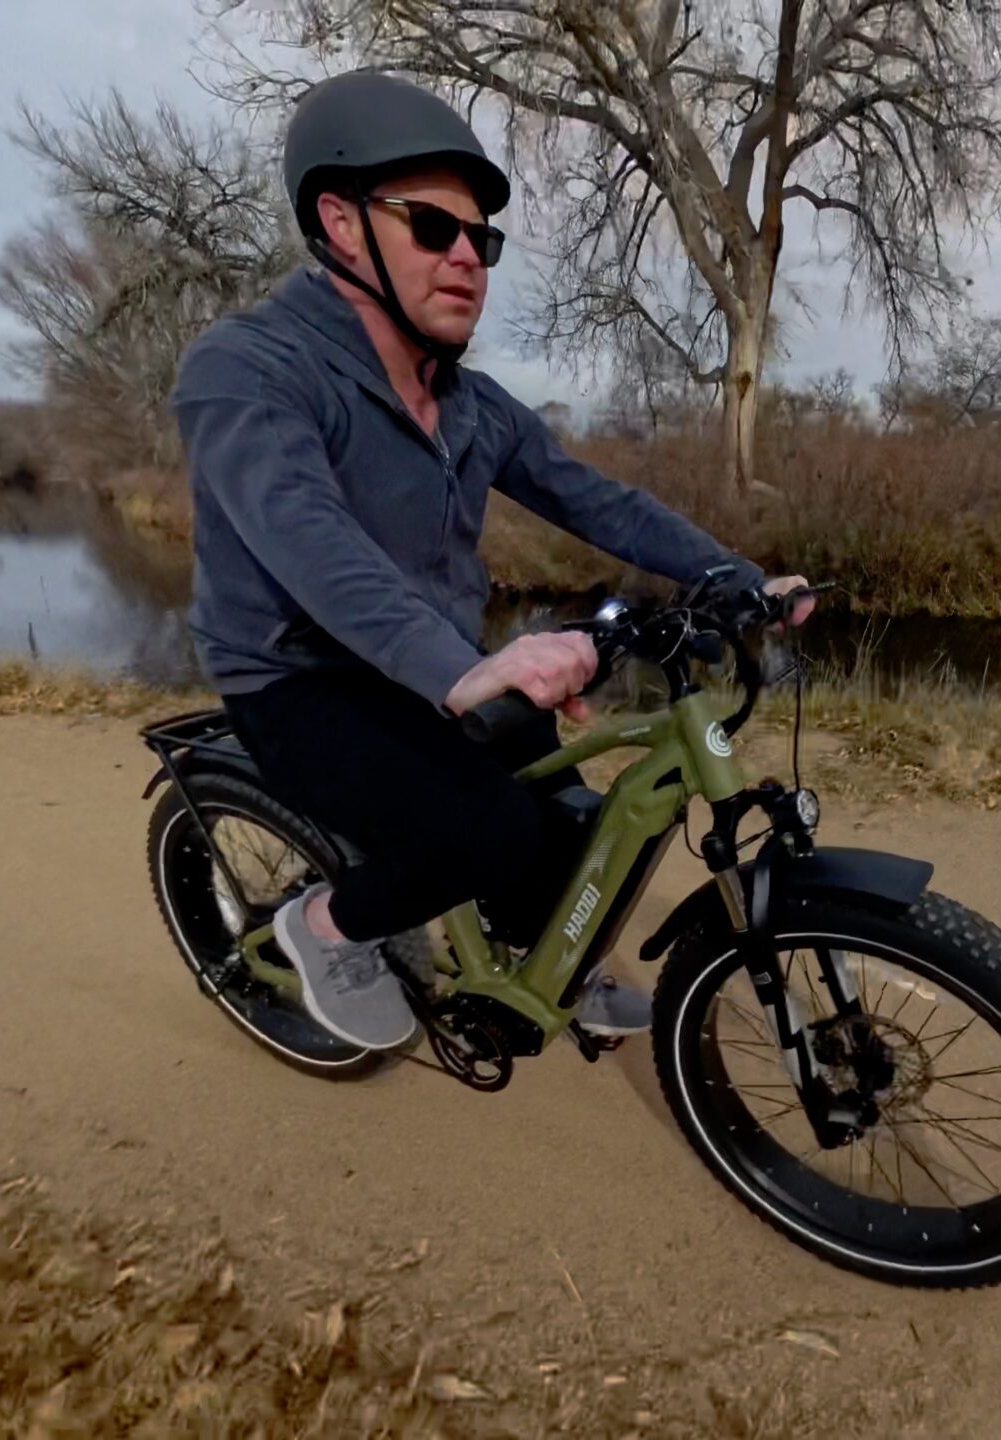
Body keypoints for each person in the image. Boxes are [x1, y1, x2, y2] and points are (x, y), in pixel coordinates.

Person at [170, 70, 812, 1051]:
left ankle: (545, 951)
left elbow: (592, 497)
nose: (468, 258)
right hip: (298, 672)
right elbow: (307, 539)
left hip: (428, 657)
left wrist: (731, 574)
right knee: (482, 830)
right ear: (341, 224)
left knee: (570, 806)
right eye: (435, 229)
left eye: (483, 241)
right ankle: (321, 929)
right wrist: (467, 669)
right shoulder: (246, 371)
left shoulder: (470, 404)